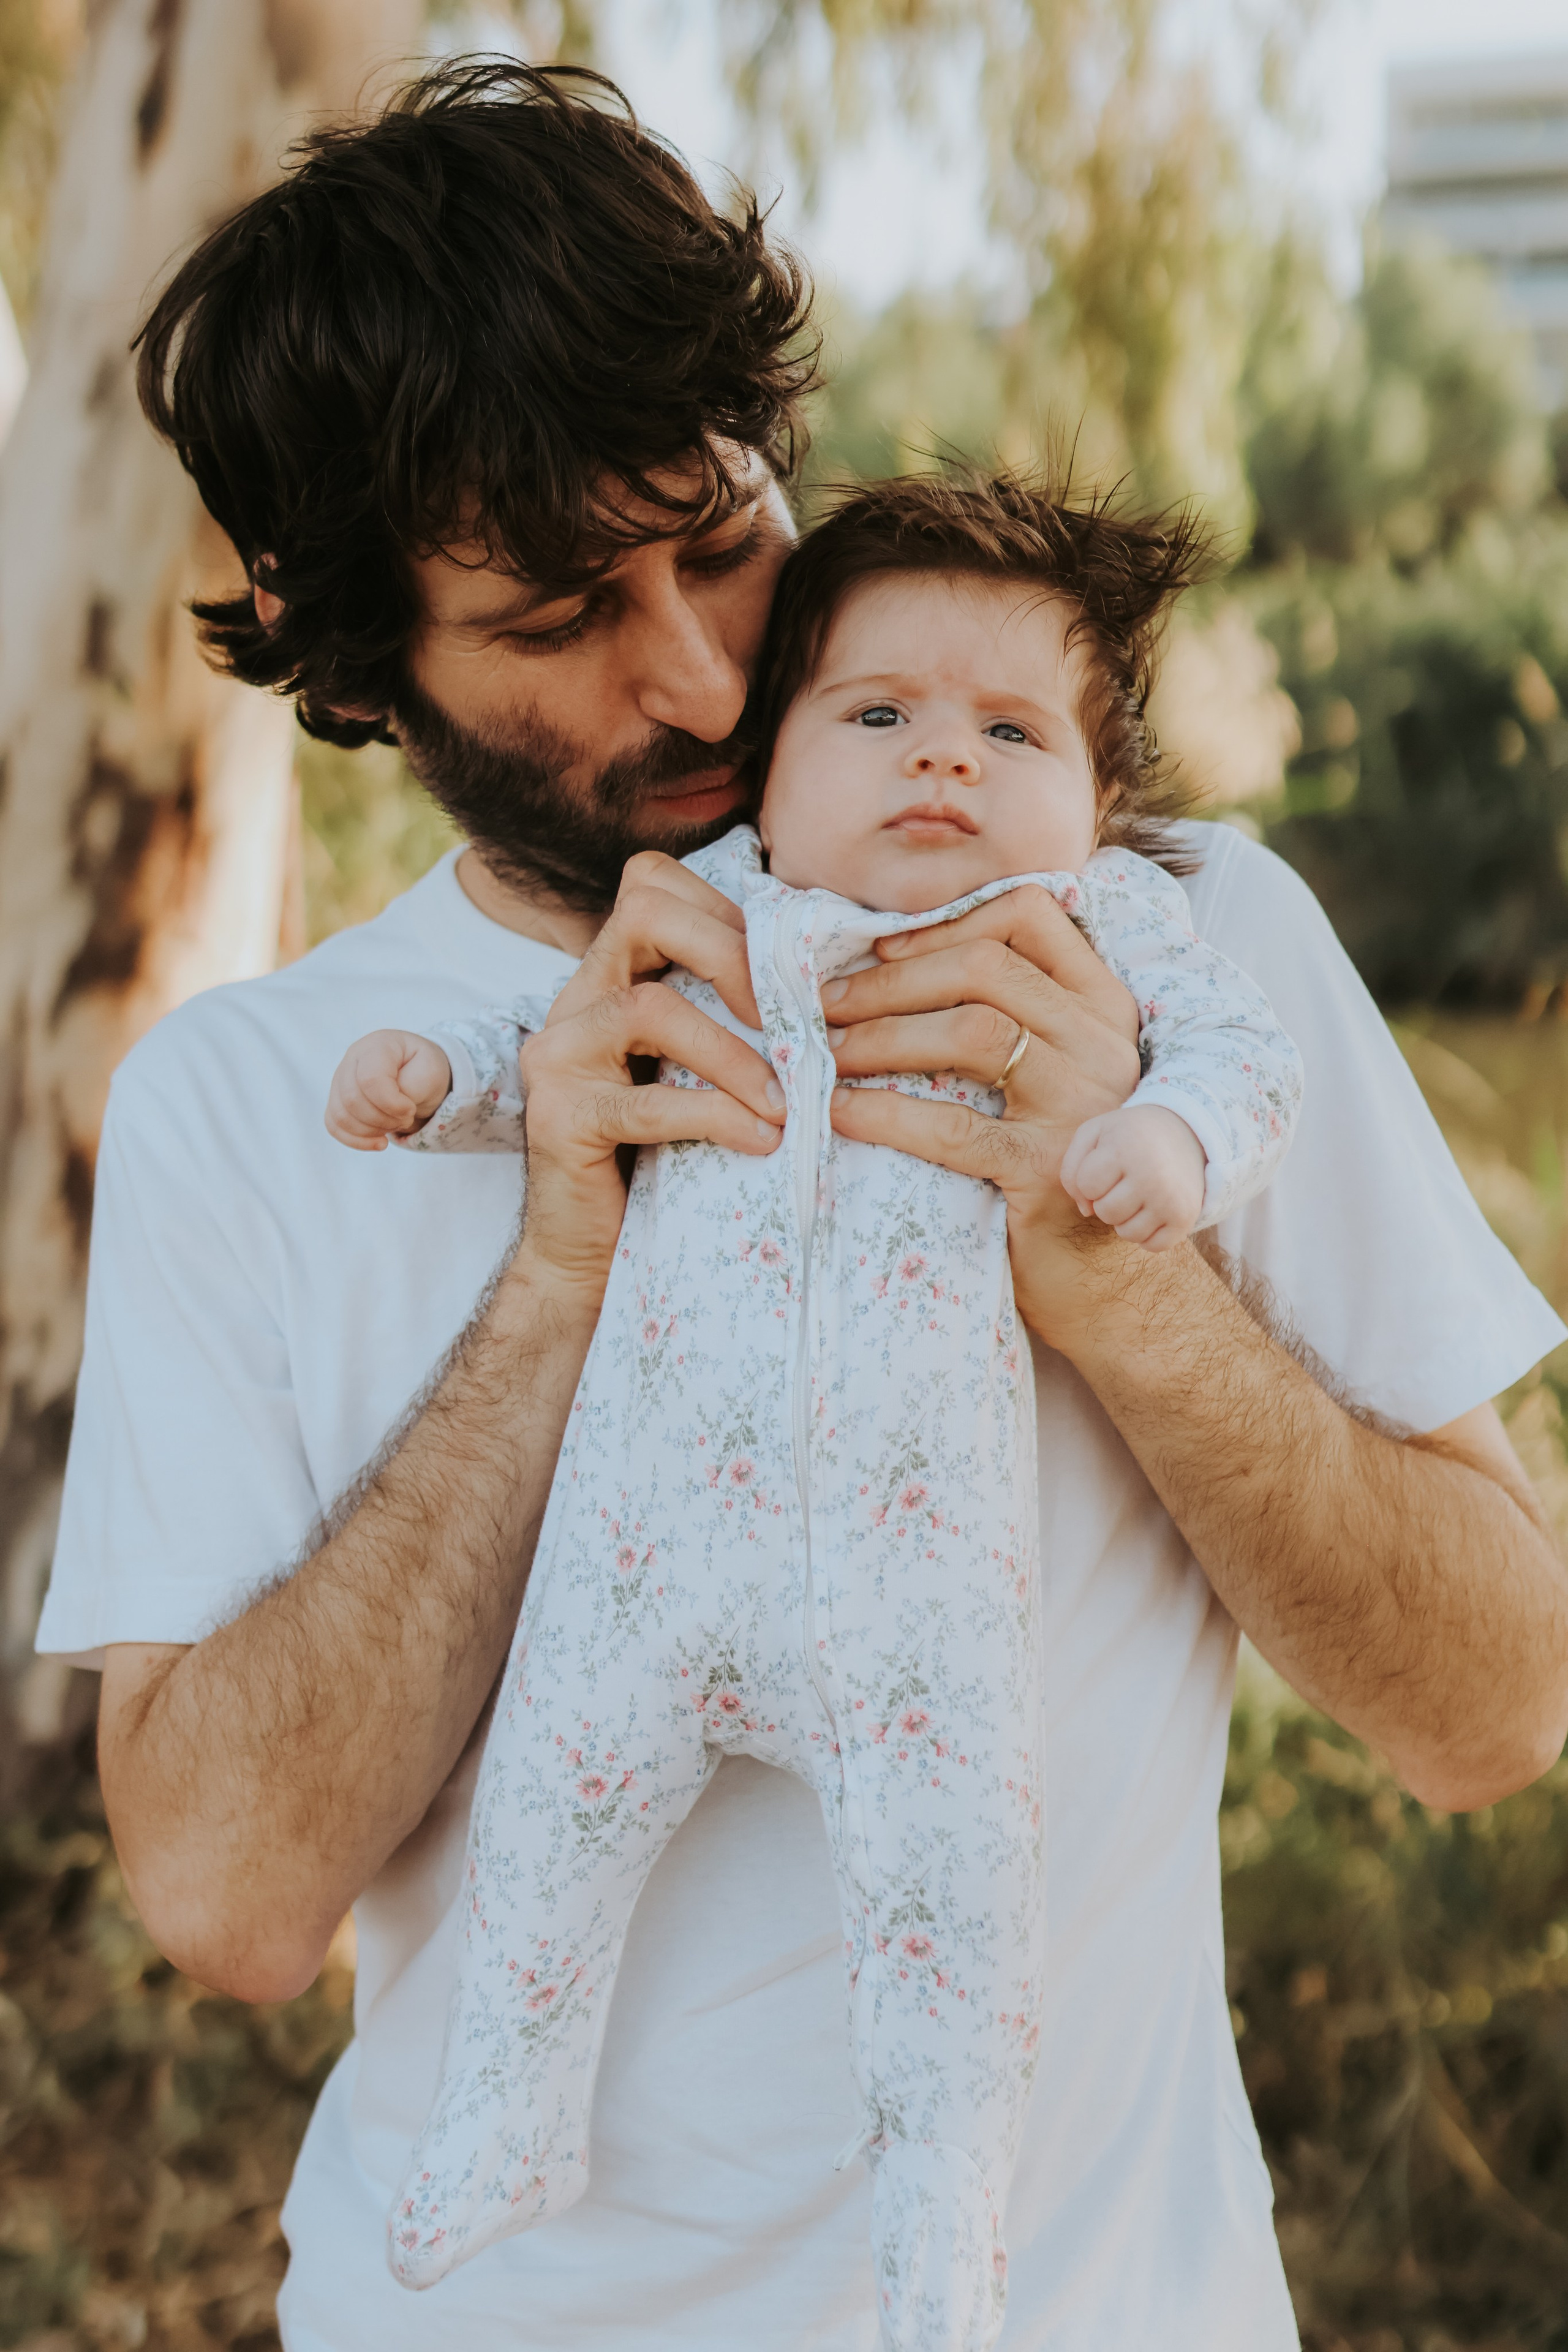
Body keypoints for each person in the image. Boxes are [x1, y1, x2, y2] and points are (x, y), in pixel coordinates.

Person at [34, 57, 1568, 2352]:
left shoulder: (1173, 947)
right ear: (358, 658)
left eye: (722, 537)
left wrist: (1126, 1279)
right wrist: (559, 1267)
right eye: (558, 613)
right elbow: (228, 1903)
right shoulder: (258, 1103)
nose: (696, 672)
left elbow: (1498, 1708)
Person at [326, 477, 1303, 2337]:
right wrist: (436, 1081)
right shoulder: (710, 904)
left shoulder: (1100, 931)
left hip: (911, 1579)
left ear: (1098, 804)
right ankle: (506, 2118)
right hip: (652, 1551)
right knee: (549, 1823)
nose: (943, 759)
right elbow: (558, 1059)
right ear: (769, 774)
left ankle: (945, 2223)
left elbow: (1249, 1061)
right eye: (879, 716)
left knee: (959, 1901)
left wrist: (1170, 1142)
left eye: (1012, 733)